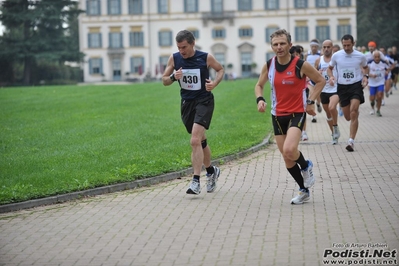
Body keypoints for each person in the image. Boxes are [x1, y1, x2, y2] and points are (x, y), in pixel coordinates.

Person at [255, 29, 326, 204]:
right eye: (275, 44)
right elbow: (259, 85)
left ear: (290, 45)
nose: (279, 47)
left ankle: (306, 165)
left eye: (282, 43)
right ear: (271, 46)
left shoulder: (299, 65)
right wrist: (260, 99)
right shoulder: (269, 65)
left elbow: (320, 81)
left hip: (297, 113)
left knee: (289, 149)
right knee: (287, 157)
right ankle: (304, 190)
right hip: (277, 115)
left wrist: (310, 101)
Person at [162, 30, 224, 195]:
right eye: (179, 47)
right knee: (201, 141)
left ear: (192, 43)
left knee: (194, 140)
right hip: (187, 104)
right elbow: (164, 80)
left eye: (184, 47)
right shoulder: (174, 58)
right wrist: (174, 77)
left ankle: (196, 181)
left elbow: (220, 70)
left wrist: (214, 83)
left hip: (204, 101)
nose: (182, 51)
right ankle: (211, 171)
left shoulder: (205, 57)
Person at [327, 34, 369, 152]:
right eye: (344, 45)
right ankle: (353, 117)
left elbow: (366, 67)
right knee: (347, 116)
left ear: (353, 43)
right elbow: (329, 69)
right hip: (342, 87)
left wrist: (365, 76)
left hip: (355, 85)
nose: (346, 48)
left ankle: (351, 141)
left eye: (348, 45)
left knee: (354, 112)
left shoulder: (360, 56)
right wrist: (331, 77)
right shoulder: (336, 55)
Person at [314, 40, 341, 144]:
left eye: (328, 47)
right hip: (323, 89)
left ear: (332, 47)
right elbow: (314, 74)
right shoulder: (318, 60)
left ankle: (335, 126)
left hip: (335, 88)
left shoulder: (337, 59)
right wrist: (318, 73)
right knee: (328, 113)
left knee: (332, 107)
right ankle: (334, 133)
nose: (326, 49)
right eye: (324, 47)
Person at [290, 45, 308, 141]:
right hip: (290, 94)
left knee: (302, 112)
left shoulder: (303, 65)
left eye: (297, 54)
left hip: (302, 92)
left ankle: (304, 132)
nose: (295, 56)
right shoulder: (288, 65)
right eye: (293, 54)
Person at [305, 39, 322, 122]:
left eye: (315, 46)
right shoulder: (306, 55)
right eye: (312, 46)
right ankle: (313, 116)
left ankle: (318, 104)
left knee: (317, 96)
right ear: (310, 47)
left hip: (317, 77)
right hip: (309, 78)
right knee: (312, 95)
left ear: (317, 47)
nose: (314, 48)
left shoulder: (320, 55)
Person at [368, 51, 390, 117]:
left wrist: (387, 72)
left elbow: (388, 69)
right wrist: (371, 75)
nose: (377, 58)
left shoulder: (383, 63)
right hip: (372, 83)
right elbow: (365, 72)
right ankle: (372, 107)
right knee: (372, 98)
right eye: (375, 57)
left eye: (378, 57)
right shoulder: (369, 63)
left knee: (380, 95)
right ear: (373, 57)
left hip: (380, 82)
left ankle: (378, 110)